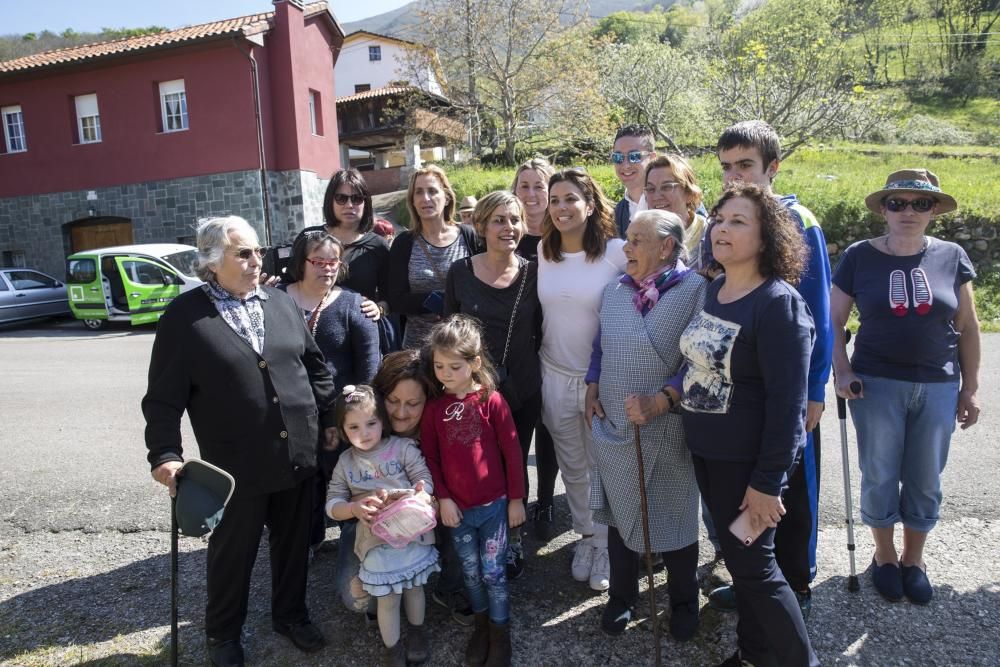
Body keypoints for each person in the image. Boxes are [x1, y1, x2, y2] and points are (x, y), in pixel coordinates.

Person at [143, 216, 335, 667]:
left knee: (293, 546)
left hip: (297, 453)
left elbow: (315, 366)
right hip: (236, 466)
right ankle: (223, 635)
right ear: (212, 261)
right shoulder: (185, 318)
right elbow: (162, 399)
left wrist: (330, 418)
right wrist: (165, 455)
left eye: (258, 251)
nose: (256, 261)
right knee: (233, 555)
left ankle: (290, 614)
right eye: (243, 253)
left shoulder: (281, 302)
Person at [679, 184, 818, 666]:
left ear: (767, 239)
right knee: (743, 566)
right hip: (708, 453)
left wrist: (767, 483)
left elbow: (788, 406)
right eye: (719, 218)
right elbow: (701, 364)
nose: (721, 228)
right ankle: (754, 654)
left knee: (755, 569)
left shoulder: (779, 304)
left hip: (746, 468)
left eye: (739, 221)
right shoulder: (716, 289)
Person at [831, 169, 980, 605]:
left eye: (920, 203)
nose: (908, 211)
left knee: (925, 476)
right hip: (875, 382)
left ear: (934, 210)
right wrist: (841, 372)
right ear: (883, 209)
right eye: (897, 203)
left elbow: (968, 327)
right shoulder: (860, 256)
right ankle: (885, 556)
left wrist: (970, 388)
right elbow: (834, 321)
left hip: (938, 383)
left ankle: (915, 560)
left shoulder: (952, 256)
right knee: (879, 472)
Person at [706, 121, 832, 617]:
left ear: (772, 168)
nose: (735, 175)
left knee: (790, 485)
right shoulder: (725, 220)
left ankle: (795, 581)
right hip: (742, 385)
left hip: (789, 381)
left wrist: (815, 388)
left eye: (746, 166)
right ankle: (754, 578)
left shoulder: (801, 220)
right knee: (746, 490)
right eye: (726, 167)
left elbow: (819, 312)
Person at [584, 210, 707, 639]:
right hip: (617, 423)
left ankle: (683, 601)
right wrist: (592, 383)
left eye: (637, 240)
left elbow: (700, 358)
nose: (627, 248)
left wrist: (663, 398)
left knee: (675, 518)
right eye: (627, 239)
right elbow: (599, 347)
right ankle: (622, 597)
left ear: (667, 246)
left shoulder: (694, 290)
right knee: (620, 514)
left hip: (670, 423)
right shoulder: (615, 291)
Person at [334, 352, 475, 629]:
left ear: (429, 400)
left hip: (428, 518)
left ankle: (446, 586)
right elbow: (339, 495)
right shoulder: (363, 428)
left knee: (462, 524)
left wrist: (431, 498)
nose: (400, 413)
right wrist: (357, 504)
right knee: (358, 601)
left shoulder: (442, 428)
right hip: (370, 526)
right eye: (392, 401)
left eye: (413, 404)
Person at [445, 191, 543, 579]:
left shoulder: (534, 272)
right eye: (499, 220)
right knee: (481, 468)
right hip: (476, 390)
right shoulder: (460, 273)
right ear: (480, 225)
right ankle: (483, 535)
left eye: (515, 219)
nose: (509, 227)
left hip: (522, 386)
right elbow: (450, 333)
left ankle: (513, 543)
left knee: (515, 462)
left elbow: (540, 330)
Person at [538, 167, 626, 591]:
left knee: (603, 466)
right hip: (553, 375)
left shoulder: (618, 252)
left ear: (590, 205)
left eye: (570, 198)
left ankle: (608, 546)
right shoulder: (542, 252)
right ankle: (587, 538)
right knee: (572, 466)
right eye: (554, 200)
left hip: (601, 381)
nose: (561, 208)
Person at [420, 315, 526, 667]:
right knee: (470, 573)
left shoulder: (491, 401)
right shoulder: (434, 410)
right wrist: (443, 498)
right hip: (458, 512)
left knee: (494, 573)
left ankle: (500, 634)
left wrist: (515, 499)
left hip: (495, 506)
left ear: (474, 363)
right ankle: (480, 627)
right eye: (439, 366)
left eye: (454, 366)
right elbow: (430, 457)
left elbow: (512, 451)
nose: (445, 373)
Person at [280, 230, 381, 551]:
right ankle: (306, 542)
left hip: (341, 416)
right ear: (301, 262)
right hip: (289, 415)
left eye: (333, 262)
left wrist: (354, 418)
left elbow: (369, 369)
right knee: (300, 485)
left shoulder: (354, 305)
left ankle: (354, 542)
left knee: (345, 479)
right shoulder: (275, 300)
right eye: (318, 261)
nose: (327, 268)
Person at [326, 385, 440, 667]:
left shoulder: (402, 448)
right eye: (353, 427)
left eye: (371, 423)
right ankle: (393, 648)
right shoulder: (345, 463)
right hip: (375, 544)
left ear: (383, 422)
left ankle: (416, 633)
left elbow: (423, 477)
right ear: (342, 430)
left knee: (415, 589)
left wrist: (421, 493)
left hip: (412, 535)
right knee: (387, 599)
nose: (363, 433)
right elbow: (332, 504)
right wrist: (352, 508)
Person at [511, 158, 560, 540]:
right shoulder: (505, 232)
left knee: (550, 428)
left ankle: (545, 500)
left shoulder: (562, 234)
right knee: (517, 427)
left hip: (558, 339)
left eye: (538, 186)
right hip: (519, 345)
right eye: (523, 186)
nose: (530, 194)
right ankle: (516, 500)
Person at [388, 165, 479, 349]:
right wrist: (437, 301)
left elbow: (482, 286)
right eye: (418, 192)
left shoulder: (469, 237)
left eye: (432, 191)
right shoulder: (404, 243)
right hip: (418, 349)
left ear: (446, 197)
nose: (425, 198)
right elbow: (395, 299)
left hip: (462, 346)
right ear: (412, 201)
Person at [317, 168, 396, 353]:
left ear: (366, 203)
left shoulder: (377, 246)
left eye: (357, 198)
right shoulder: (312, 239)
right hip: (317, 334)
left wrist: (380, 308)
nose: (349, 204)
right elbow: (293, 285)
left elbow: (390, 296)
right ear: (331, 200)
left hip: (361, 335)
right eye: (341, 198)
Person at [643, 155, 709, 271]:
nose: (657, 196)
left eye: (667, 187)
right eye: (650, 189)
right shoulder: (641, 238)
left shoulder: (709, 234)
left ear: (689, 193)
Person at [611, 125, 656, 239]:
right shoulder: (616, 214)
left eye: (634, 156)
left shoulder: (672, 199)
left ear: (652, 158)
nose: (625, 165)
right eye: (618, 157)